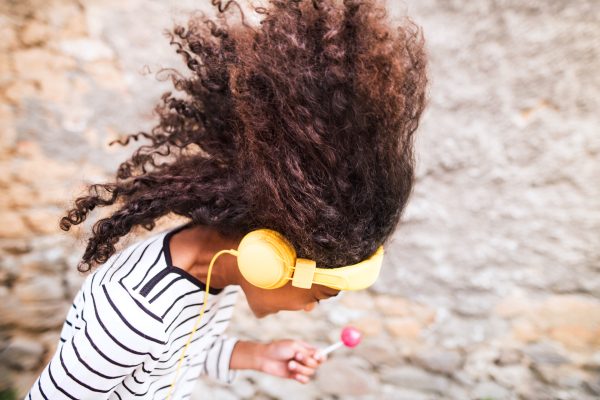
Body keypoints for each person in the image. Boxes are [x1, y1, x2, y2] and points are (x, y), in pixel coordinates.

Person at [26, 0, 428, 398]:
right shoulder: (132, 314)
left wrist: (257, 355)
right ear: (273, 259)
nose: (308, 309)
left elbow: (171, 353)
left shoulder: (208, 270)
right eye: (319, 297)